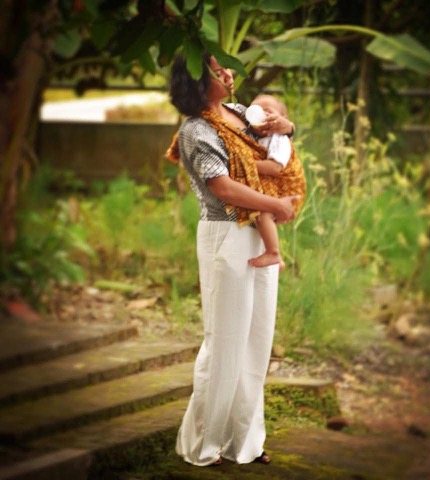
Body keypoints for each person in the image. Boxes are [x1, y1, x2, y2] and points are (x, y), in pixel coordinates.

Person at [166, 53, 299, 467]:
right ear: (196, 81)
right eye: (216, 70)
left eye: (224, 67)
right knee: (224, 342)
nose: (228, 73)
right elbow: (222, 187)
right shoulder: (196, 130)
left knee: (256, 341)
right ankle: (205, 445)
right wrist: (275, 205)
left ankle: (245, 442)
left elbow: (280, 136)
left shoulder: (240, 113)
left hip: (258, 233)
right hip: (226, 234)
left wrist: (289, 127)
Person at [243, 94, 306, 269]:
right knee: (262, 217)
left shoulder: (279, 139)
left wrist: (245, 165)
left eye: (268, 111)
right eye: (255, 110)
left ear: (283, 119)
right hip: (275, 188)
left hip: (288, 192)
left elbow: (274, 167)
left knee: (264, 213)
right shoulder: (254, 137)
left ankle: (274, 253)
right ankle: (277, 258)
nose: (261, 115)